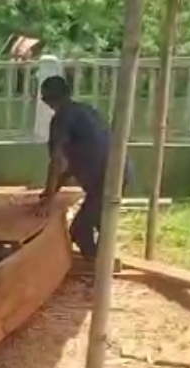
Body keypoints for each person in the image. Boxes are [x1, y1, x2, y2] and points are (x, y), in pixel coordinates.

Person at [36, 75, 131, 260]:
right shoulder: (86, 110)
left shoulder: (61, 120)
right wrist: (52, 190)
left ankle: (97, 266)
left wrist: (49, 198)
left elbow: (58, 161)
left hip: (105, 180)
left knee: (80, 229)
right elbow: (72, 162)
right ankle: (102, 261)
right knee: (99, 220)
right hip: (121, 170)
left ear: (46, 100)